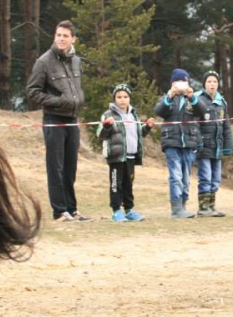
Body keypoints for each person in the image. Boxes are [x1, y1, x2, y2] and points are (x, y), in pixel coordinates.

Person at [26, 20, 91, 222]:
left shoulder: (77, 61)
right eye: (58, 35)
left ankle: (72, 209)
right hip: (54, 118)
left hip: (72, 119)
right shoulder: (43, 62)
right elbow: (32, 92)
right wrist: (57, 102)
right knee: (56, 166)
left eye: (65, 36)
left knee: (70, 166)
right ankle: (59, 211)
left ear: (73, 39)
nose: (61, 39)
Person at [97, 83, 155, 222]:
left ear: (129, 98)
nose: (122, 100)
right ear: (114, 98)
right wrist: (106, 126)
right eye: (119, 97)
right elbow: (100, 134)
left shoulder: (133, 115)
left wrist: (147, 127)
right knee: (116, 184)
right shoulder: (108, 114)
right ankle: (116, 211)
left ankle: (129, 210)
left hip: (130, 156)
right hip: (116, 157)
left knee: (128, 184)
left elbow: (138, 133)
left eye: (125, 97)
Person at [154, 68, 203, 219]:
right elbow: (159, 111)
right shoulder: (167, 98)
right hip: (172, 142)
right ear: (172, 84)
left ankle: (183, 205)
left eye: (184, 82)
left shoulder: (192, 98)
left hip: (188, 143)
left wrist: (192, 97)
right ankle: (176, 208)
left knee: (186, 177)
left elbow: (201, 110)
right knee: (175, 176)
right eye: (178, 82)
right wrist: (170, 95)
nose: (181, 85)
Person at [196, 70, 233, 217]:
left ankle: (211, 206)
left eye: (214, 82)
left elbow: (226, 125)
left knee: (216, 178)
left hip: (217, 147)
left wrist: (228, 146)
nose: (212, 84)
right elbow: (195, 125)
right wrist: (198, 143)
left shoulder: (221, 102)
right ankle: (203, 207)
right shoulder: (198, 99)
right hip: (204, 147)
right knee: (205, 176)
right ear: (204, 84)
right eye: (209, 82)